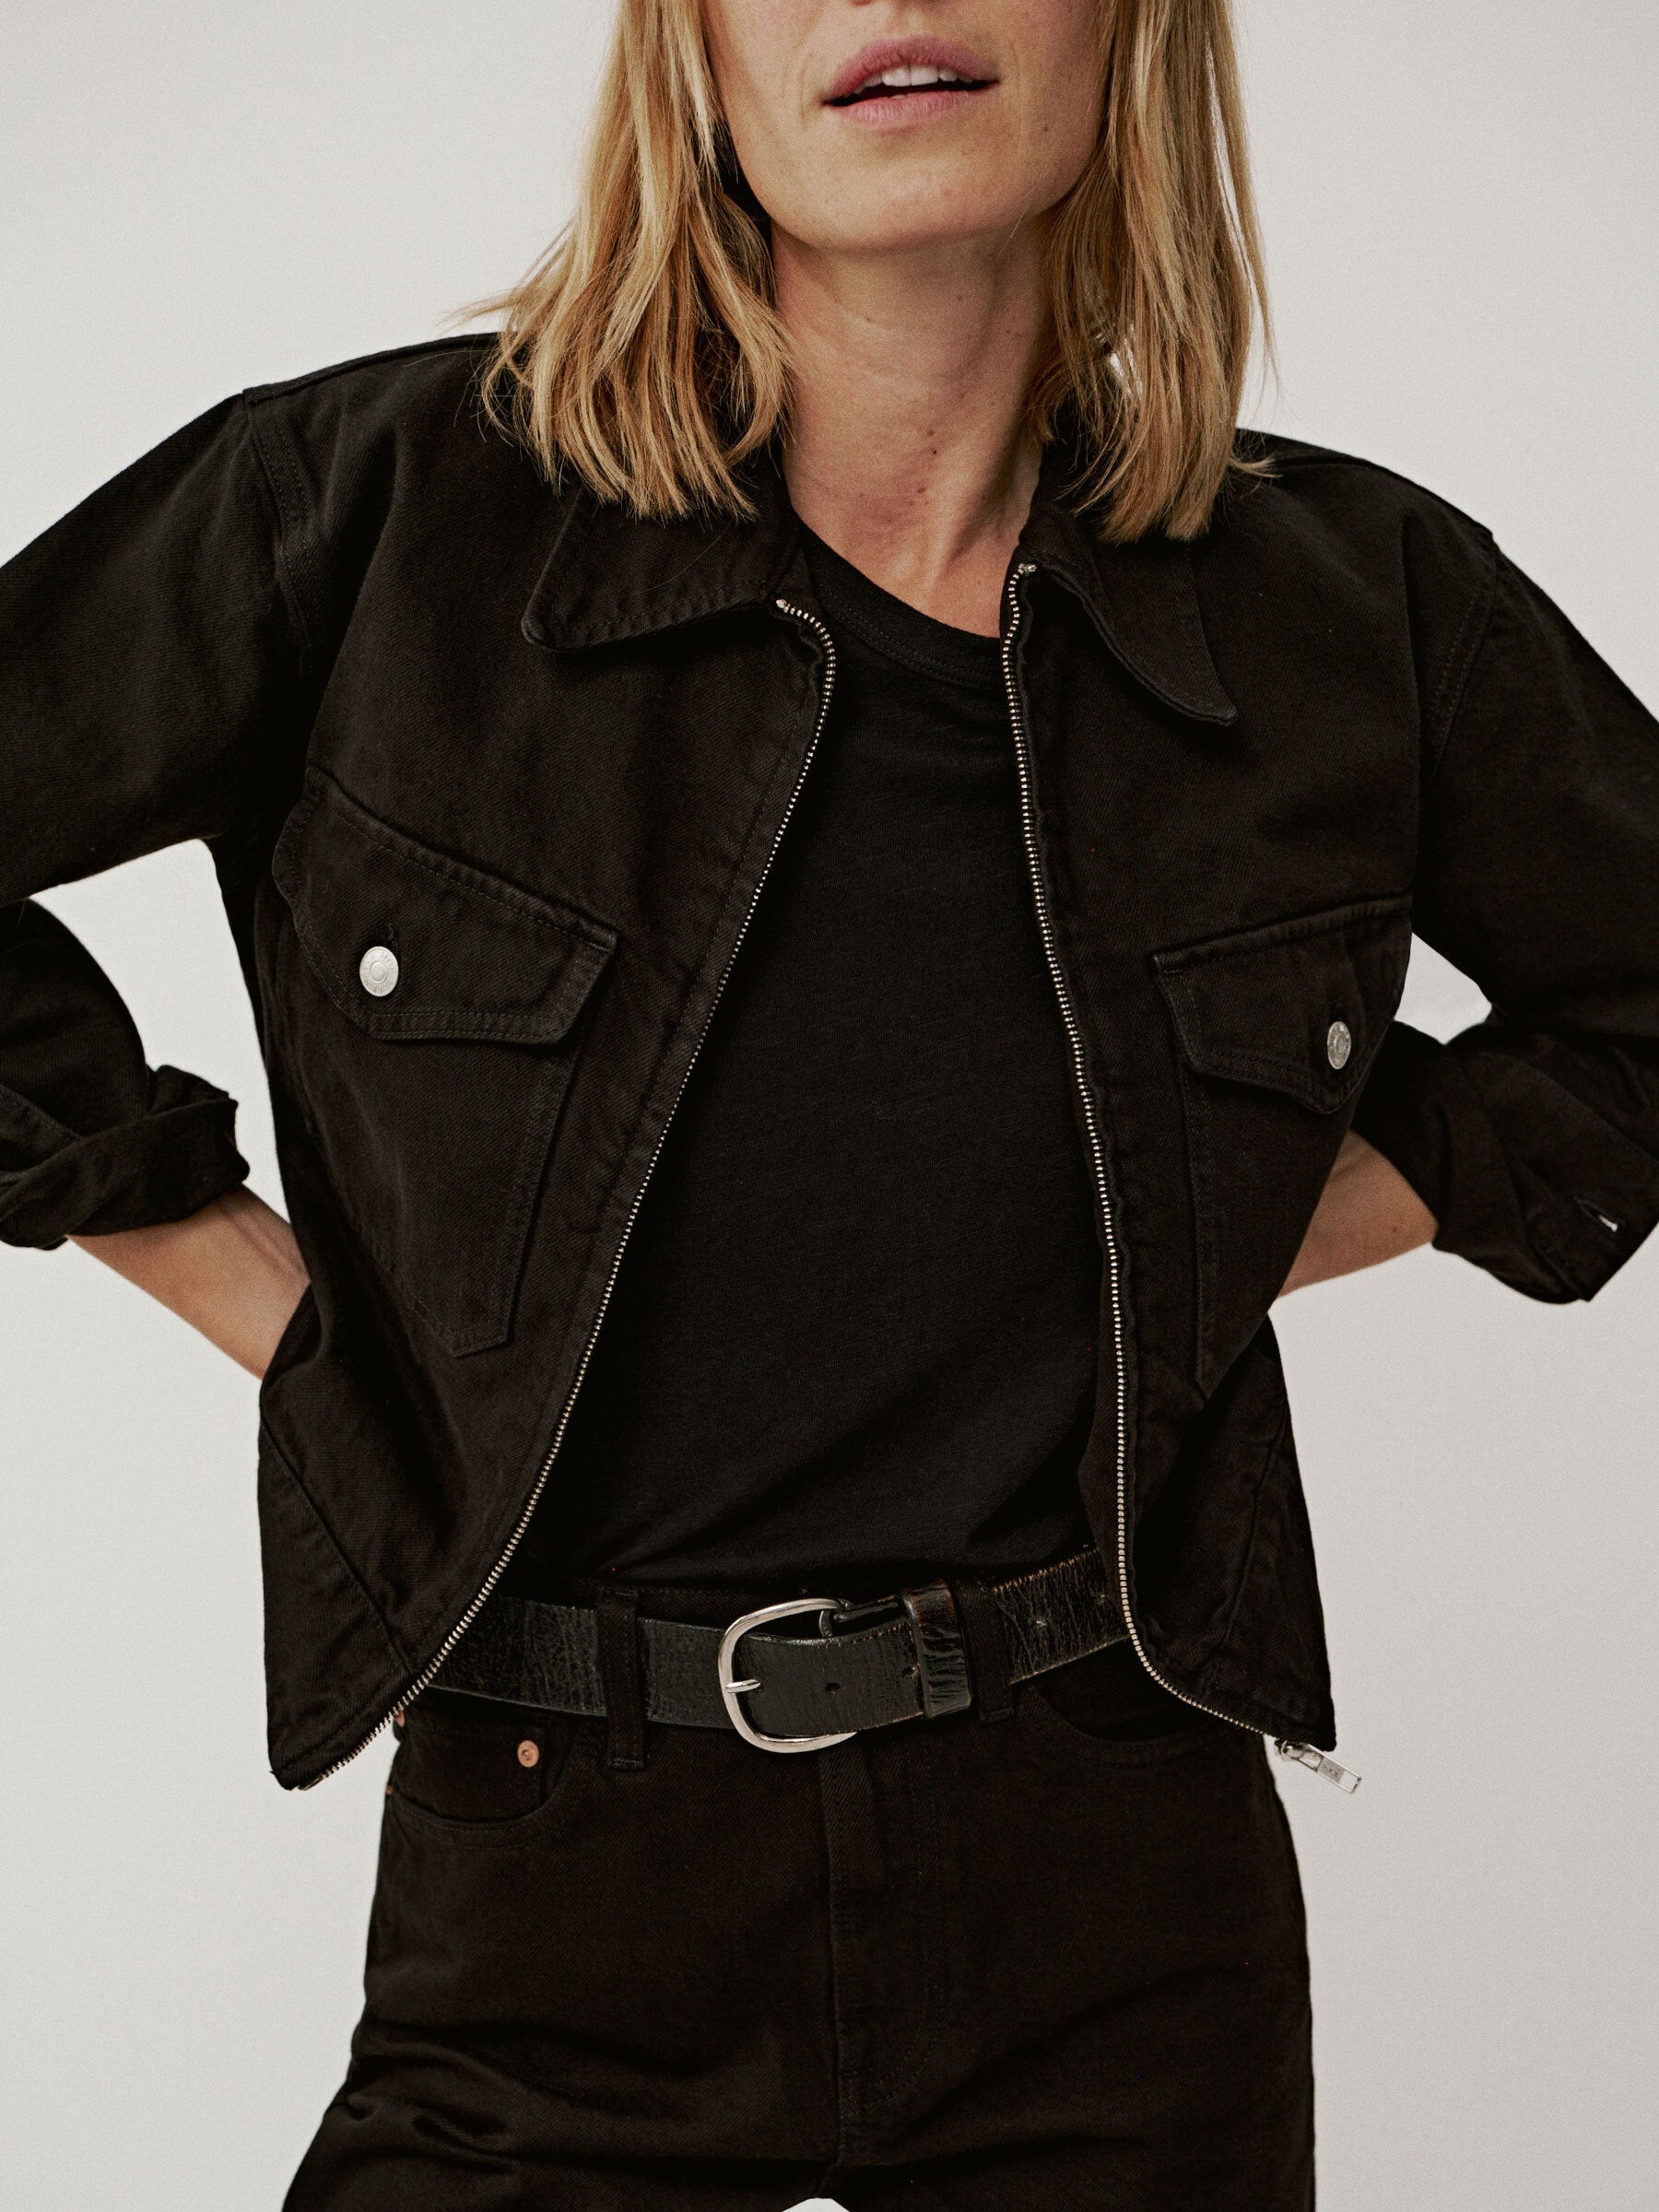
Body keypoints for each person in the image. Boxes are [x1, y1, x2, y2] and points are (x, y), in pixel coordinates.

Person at [3, 0, 1655, 2204]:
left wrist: (1261, 1209)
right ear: (690, 47)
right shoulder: (376, 517)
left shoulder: (1351, 605)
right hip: (554, 1869)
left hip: (1116, 1889)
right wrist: (262, 1293)